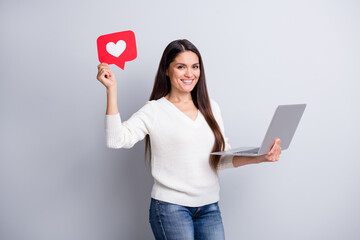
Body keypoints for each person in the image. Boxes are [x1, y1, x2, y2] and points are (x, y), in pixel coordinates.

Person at [96, 39, 281, 240]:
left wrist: (260, 157)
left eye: (195, 67)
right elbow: (116, 140)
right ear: (166, 70)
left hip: (210, 207)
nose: (189, 74)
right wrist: (111, 90)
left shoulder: (211, 107)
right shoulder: (155, 110)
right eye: (181, 67)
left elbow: (220, 159)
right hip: (170, 209)